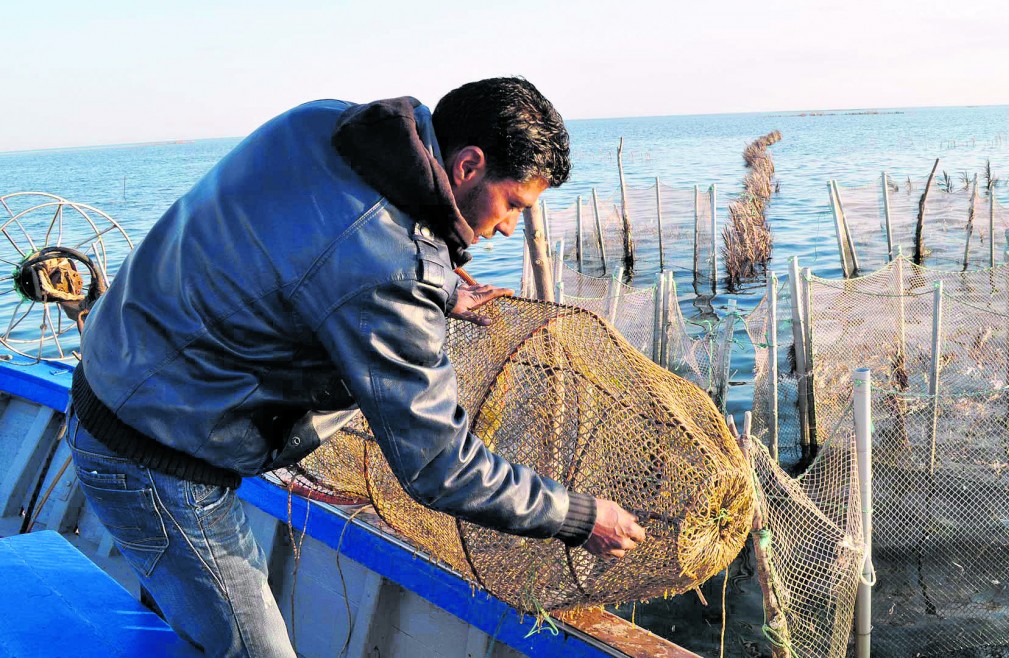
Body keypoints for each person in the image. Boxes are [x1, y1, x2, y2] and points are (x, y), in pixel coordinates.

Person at [66, 77, 646, 657]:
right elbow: (441, 467)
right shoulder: (392, 271)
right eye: (514, 204)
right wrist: (580, 517)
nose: (508, 228)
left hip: (117, 371)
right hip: (151, 455)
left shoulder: (329, 124)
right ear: (468, 165)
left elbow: (323, 245)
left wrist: (439, 287)